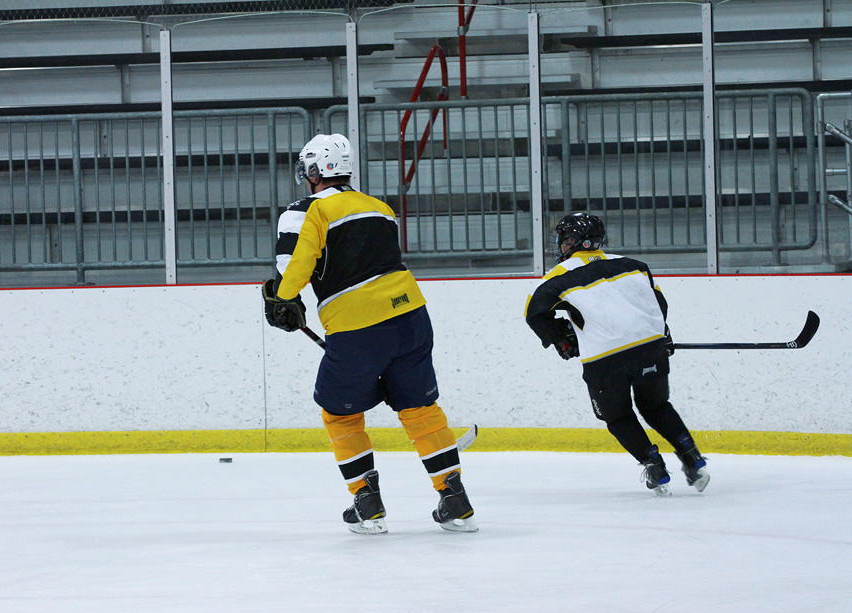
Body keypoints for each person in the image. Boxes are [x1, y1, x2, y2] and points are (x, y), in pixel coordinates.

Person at [261, 133, 477, 534]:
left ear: (314, 171)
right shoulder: (380, 208)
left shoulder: (303, 210)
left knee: (340, 413)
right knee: (420, 408)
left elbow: (294, 264)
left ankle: (367, 501)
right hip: (411, 315)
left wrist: (282, 299)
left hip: (357, 327)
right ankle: (455, 499)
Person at [524, 212, 710, 496]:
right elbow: (658, 303)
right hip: (650, 349)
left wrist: (561, 338)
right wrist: (661, 334)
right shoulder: (634, 265)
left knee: (618, 417)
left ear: (574, 242)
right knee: (656, 407)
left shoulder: (558, 276)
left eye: (564, 239)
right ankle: (692, 457)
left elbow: (533, 312)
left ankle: (654, 466)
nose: (561, 245)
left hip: (605, 359)